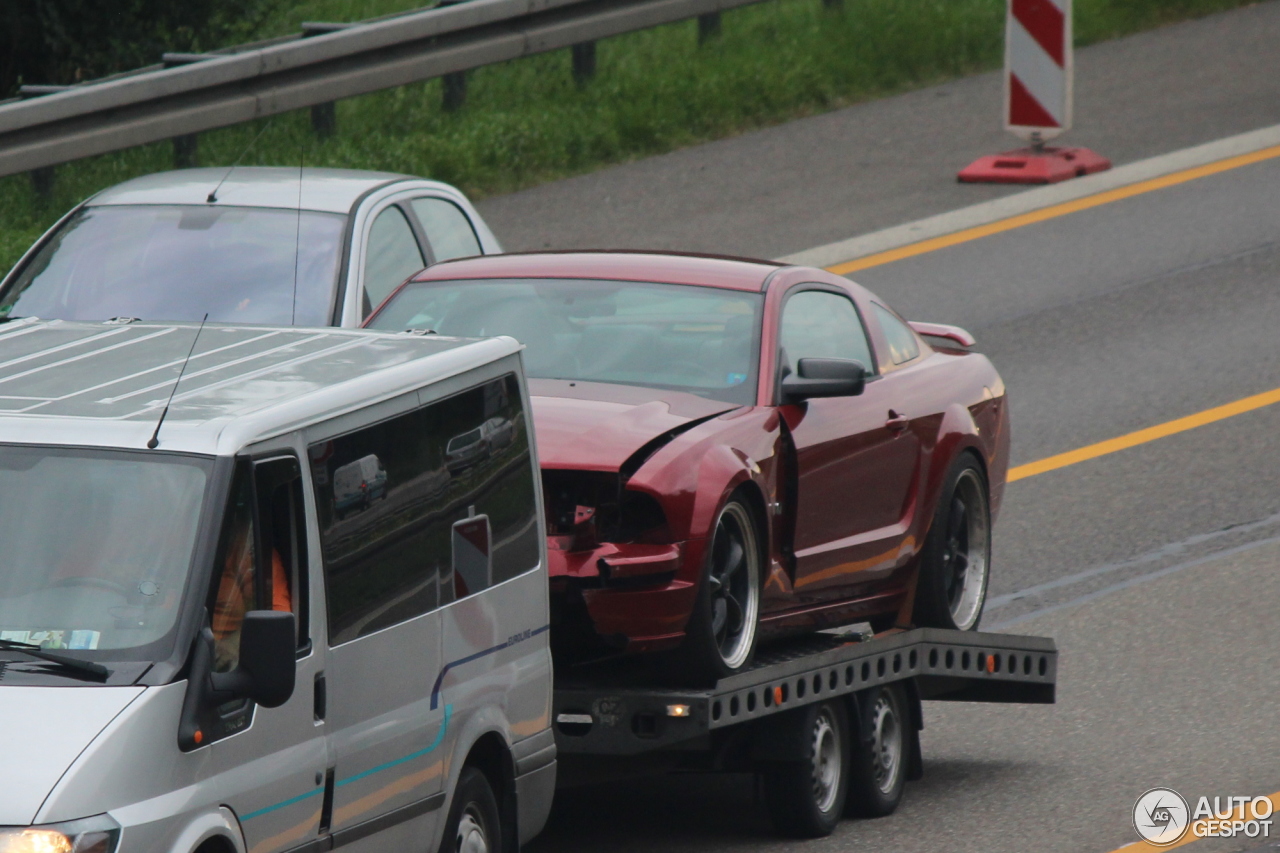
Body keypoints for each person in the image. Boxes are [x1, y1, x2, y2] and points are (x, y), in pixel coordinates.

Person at [212, 511, 292, 671]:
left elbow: (278, 621)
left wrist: (233, 644)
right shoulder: (171, 551)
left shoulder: (255, 557)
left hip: (225, 661)